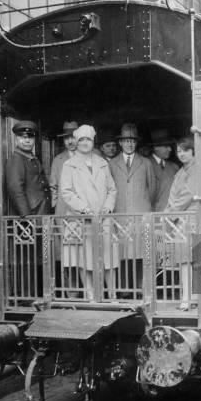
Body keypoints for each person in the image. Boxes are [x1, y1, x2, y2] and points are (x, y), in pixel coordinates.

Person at [60, 125, 117, 299]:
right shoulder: (69, 165)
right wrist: (84, 209)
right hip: (81, 219)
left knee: (108, 260)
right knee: (84, 260)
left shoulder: (102, 163)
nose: (85, 143)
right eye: (81, 140)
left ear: (93, 141)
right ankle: (91, 296)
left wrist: (107, 207)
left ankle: (113, 296)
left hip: (102, 218)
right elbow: (66, 192)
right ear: (77, 143)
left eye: (88, 139)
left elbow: (112, 189)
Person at [109, 123, 157, 295]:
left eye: (132, 141)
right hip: (120, 214)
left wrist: (143, 205)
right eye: (126, 141)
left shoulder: (145, 163)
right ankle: (124, 290)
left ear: (136, 143)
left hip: (140, 214)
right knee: (121, 254)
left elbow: (152, 189)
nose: (129, 144)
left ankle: (141, 288)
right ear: (120, 143)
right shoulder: (112, 163)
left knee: (140, 254)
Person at [165, 136, 199, 311]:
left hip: (190, 219)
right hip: (181, 219)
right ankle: (188, 297)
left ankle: (189, 298)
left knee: (189, 260)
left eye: (185, 150)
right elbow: (173, 197)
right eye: (179, 151)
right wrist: (168, 213)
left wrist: (169, 215)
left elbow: (187, 194)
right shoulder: (181, 171)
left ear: (193, 151)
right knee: (185, 260)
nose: (182, 154)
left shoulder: (196, 169)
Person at [5, 120, 51, 217]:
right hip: (30, 216)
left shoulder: (32, 158)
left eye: (31, 137)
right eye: (23, 137)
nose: (27, 141)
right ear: (16, 139)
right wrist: (27, 217)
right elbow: (16, 190)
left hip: (41, 212)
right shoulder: (16, 159)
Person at [49, 121, 79, 216]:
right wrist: (56, 206)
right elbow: (53, 186)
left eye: (73, 137)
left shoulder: (88, 157)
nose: (70, 141)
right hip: (64, 209)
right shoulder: (58, 160)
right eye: (67, 138)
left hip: (85, 210)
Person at [149, 128, 179, 211]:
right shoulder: (145, 165)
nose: (170, 149)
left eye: (170, 146)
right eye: (166, 146)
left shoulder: (174, 167)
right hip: (152, 216)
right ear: (156, 148)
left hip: (171, 215)